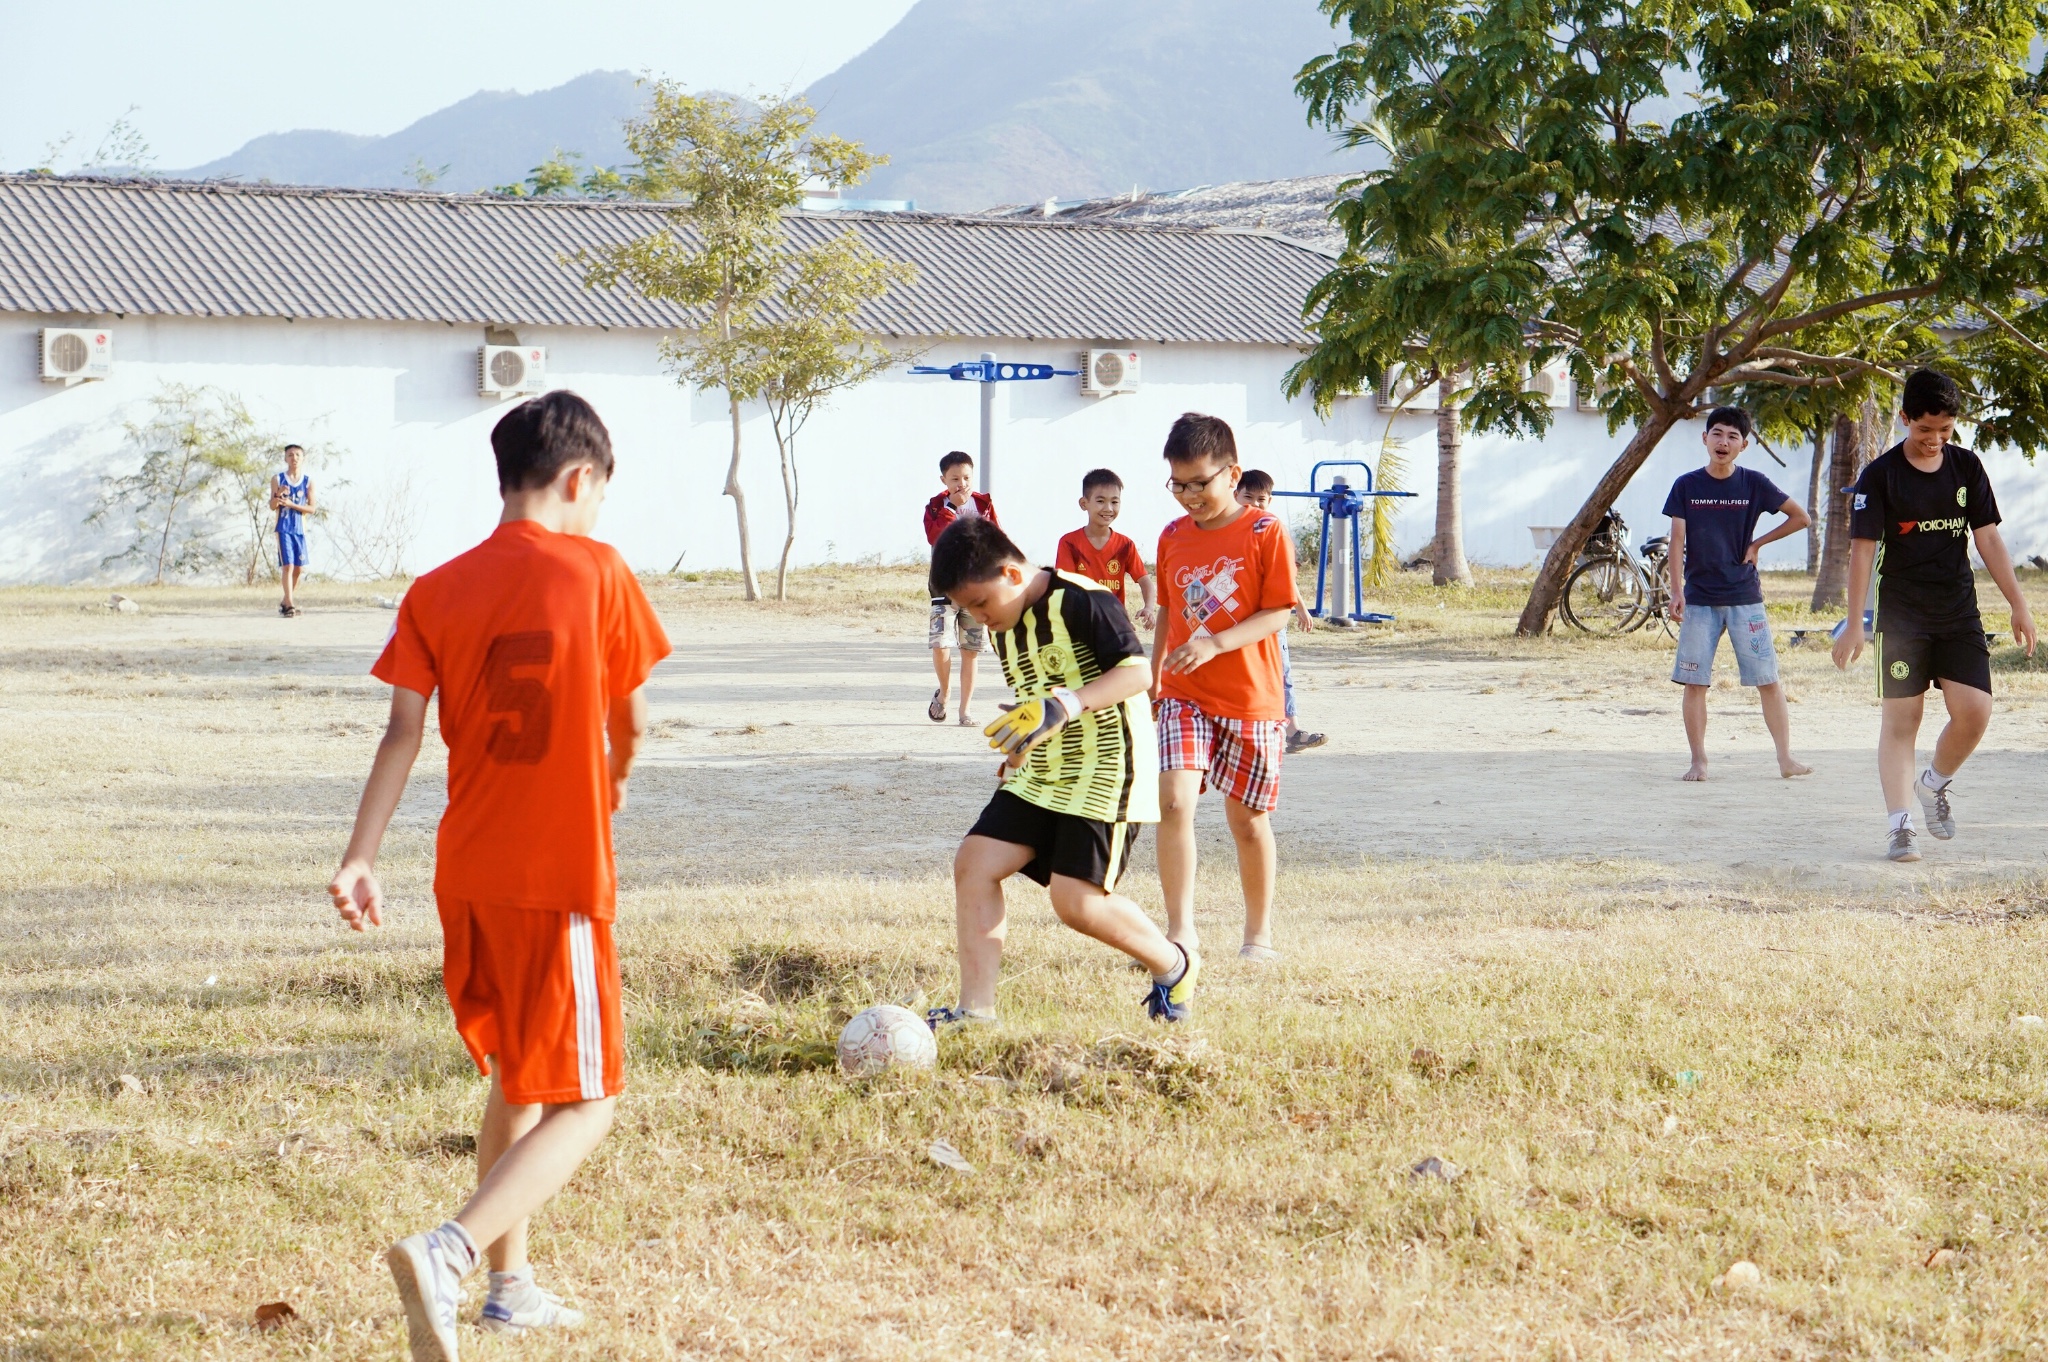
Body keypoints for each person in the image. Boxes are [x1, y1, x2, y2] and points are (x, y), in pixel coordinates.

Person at [327, 391, 670, 1360]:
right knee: (590, 1097)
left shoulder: (436, 588)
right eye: (601, 493)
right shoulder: (599, 570)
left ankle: (511, 1291)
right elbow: (632, 723)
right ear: (580, 479)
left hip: (467, 868)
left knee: (523, 1077)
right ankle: (454, 1248)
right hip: (554, 871)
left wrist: (359, 856)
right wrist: (611, 790)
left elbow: (401, 733)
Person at [926, 516, 1196, 1023]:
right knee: (975, 863)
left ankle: (1173, 966)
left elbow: (1138, 672)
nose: (980, 619)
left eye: (981, 604)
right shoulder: (1004, 626)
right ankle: (976, 1012)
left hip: (1108, 769)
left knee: (1078, 904)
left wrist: (1067, 706)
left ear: (1010, 573)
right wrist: (1020, 746)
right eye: (968, 611)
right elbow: (1037, 698)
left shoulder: (1083, 599)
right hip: (1043, 771)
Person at [1832, 368, 2037, 862]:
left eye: (1944, 431)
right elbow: (1862, 550)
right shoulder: (1879, 476)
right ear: (1905, 419)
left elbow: (1986, 537)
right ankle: (1900, 826)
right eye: (1925, 430)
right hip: (1901, 615)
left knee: (1975, 712)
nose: (1934, 441)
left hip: (1957, 610)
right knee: (1904, 718)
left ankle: (1933, 784)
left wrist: (2019, 604)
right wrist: (1856, 620)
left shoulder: (1966, 468)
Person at [1152, 414, 1299, 963]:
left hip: (1251, 698)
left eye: (1199, 483)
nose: (1188, 496)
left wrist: (1215, 643)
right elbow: (1168, 611)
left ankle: (1258, 935)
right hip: (1183, 694)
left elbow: (1278, 612)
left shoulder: (1265, 531)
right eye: (1178, 484)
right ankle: (1179, 930)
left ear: (1231, 473)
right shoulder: (1170, 536)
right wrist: (1155, 674)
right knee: (1172, 802)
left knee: (1247, 820)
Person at [1661, 406, 1813, 781]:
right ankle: (1698, 760)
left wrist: (1758, 542)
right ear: (1705, 438)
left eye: (1732, 436)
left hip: (1746, 598)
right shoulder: (1686, 485)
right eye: (1717, 434)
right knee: (1695, 682)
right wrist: (1676, 591)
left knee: (1768, 680)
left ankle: (1785, 759)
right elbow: (1676, 542)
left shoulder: (1754, 484)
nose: (1723, 442)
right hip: (1699, 600)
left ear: (1744, 445)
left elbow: (1801, 517)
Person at [1236, 469, 1326, 753]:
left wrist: (1300, 607)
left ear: (1270, 500)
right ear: (1235, 495)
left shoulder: (1274, 532)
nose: (1253, 503)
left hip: (1272, 617)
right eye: (1247, 497)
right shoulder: (1223, 533)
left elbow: (1286, 577)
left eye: (1260, 499)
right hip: (1237, 621)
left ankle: (1293, 730)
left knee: (1281, 672)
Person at [922, 451, 998, 726]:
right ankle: (944, 691)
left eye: (966, 477)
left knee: (971, 650)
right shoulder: (935, 507)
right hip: (944, 589)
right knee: (940, 644)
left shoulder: (984, 505)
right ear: (944, 479)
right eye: (955, 478)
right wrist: (952, 509)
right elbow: (935, 536)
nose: (961, 483)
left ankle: (965, 711)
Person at [1056, 468, 1158, 629]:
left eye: (1114, 502)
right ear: (1084, 504)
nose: (1108, 508)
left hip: (1116, 625)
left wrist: (1149, 608)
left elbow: (1145, 581)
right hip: (1082, 625)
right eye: (1101, 501)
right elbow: (1065, 588)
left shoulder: (1125, 545)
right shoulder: (1069, 543)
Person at [270, 444, 315, 617]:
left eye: (297, 455)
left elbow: (311, 508)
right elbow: (272, 506)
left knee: (298, 569)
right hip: (283, 527)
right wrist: (278, 495)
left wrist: (292, 504)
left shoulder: (308, 481)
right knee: (287, 565)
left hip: (299, 528)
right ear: (285, 458)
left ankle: (285, 600)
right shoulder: (278, 479)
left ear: (302, 458)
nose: (294, 458)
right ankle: (290, 605)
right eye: (290, 455)